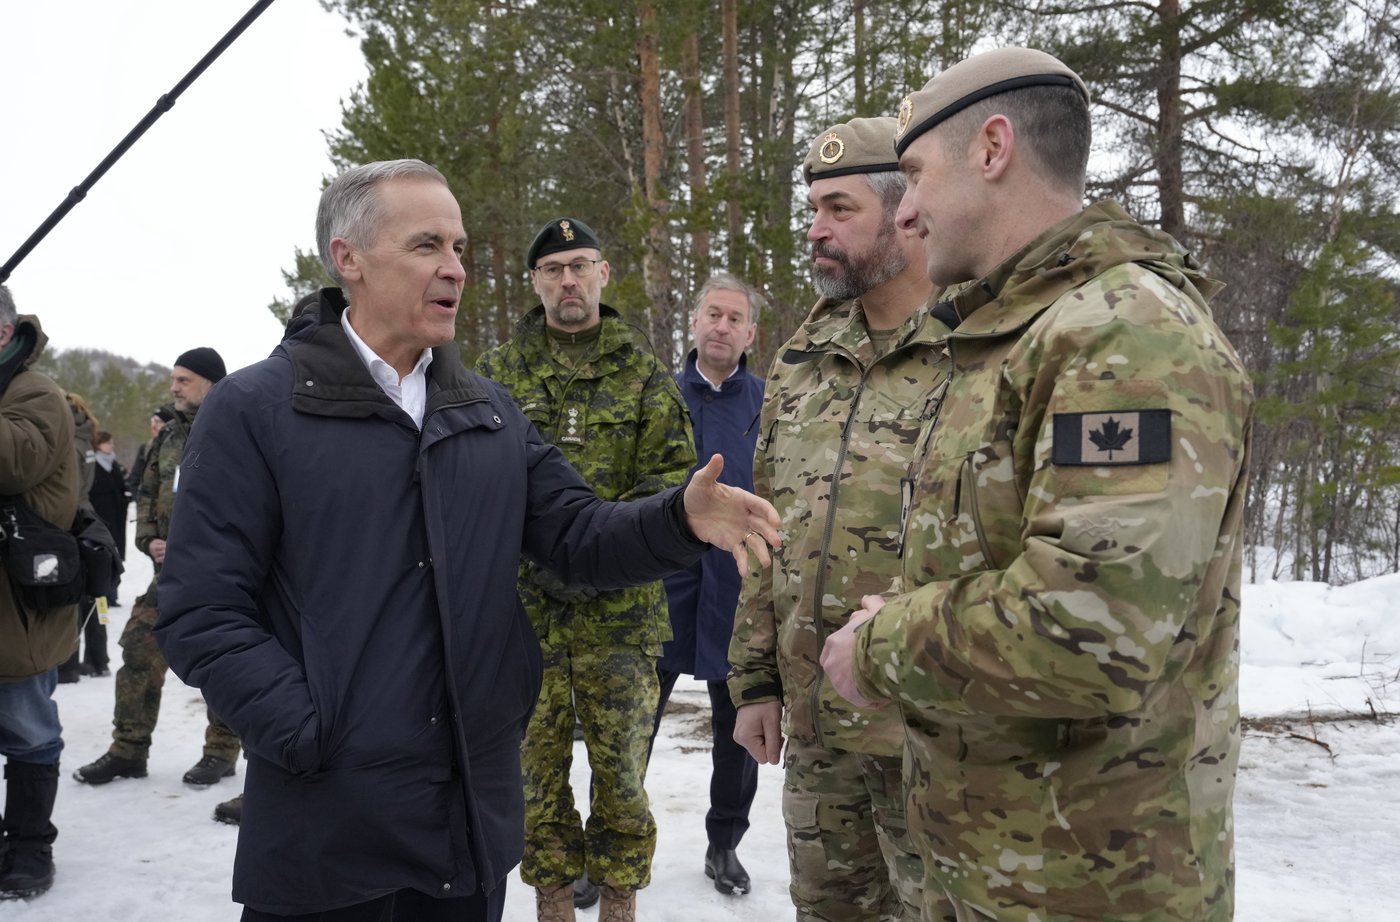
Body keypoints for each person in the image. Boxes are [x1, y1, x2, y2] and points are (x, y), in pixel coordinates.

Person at [150, 159, 779, 922]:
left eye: (459, 248)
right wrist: (308, 733)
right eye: (427, 245)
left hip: (465, 828)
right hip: (329, 828)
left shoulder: (486, 412)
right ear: (348, 258)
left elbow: (578, 533)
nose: (455, 268)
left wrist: (677, 518)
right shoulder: (256, 409)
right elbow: (202, 611)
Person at [821, 47, 1254, 922]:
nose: (905, 214)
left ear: (992, 148)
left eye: (915, 175)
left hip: (1090, 885)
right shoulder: (1012, 334)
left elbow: (1092, 626)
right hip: (991, 867)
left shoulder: (1125, 334)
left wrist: (880, 645)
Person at [728, 116, 949, 922]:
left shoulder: (979, 347)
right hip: (818, 730)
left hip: (931, 733)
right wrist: (755, 680)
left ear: (906, 213)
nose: (816, 230)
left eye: (840, 209)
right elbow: (767, 525)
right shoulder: (803, 357)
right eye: (812, 210)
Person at [476, 216, 697, 922]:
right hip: (525, 618)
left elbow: (670, 483)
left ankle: (618, 908)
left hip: (622, 618)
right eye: (553, 270)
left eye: (579, 266)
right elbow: (476, 483)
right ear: (534, 282)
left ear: (603, 274)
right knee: (534, 783)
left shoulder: (644, 374)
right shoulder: (496, 377)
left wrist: (597, 555)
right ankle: (552, 908)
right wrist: (542, 555)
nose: (567, 280)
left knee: (622, 782)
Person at [73, 348, 244, 789]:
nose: (174, 388)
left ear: (211, 383)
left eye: (184, 380)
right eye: (173, 379)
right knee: (138, 648)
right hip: (169, 575)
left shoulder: (238, 429)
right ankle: (129, 749)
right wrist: (149, 539)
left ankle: (221, 750)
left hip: (223, 575)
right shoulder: (166, 436)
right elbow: (146, 496)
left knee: (222, 660)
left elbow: (252, 502)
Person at [647, 272, 765, 897]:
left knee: (737, 732)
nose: (721, 327)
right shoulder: (657, 395)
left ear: (751, 333)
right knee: (631, 727)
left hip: (740, 593)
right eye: (712, 314)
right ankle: (612, 839)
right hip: (659, 592)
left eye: (734, 318)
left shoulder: (771, 403)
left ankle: (725, 843)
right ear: (694, 323)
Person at [0, 284, 81, 900]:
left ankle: (29, 846)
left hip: (16, 607)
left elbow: (13, 462)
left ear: (4, 332)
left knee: (28, 729)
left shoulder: (35, 393)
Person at [55, 392, 98, 684]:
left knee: (67, 597)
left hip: (68, 520)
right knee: (83, 595)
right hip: (84, 516)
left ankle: (67, 664)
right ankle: (87, 659)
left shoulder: (69, 441)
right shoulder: (85, 438)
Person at [78, 429, 128, 674]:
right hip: (92, 529)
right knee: (91, 597)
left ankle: (99, 658)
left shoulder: (111, 464)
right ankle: (79, 661)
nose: (111, 446)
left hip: (107, 528)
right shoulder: (89, 462)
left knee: (99, 592)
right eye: (107, 443)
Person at [126, 407, 173, 497]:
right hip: (147, 502)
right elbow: (135, 477)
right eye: (153, 421)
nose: (154, 426)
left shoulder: (176, 448)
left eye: (159, 422)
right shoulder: (146, 448)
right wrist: (138, 498)